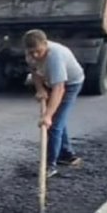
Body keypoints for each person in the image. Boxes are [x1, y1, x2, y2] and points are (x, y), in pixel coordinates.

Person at [23, 29, 85, 178]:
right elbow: (34, 70)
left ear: (45, 44)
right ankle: (67, 155)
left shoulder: (55, 56)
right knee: (58, 120)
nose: (35, 55)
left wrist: (47, 116)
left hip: (71, 84)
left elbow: (59, 88)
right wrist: (40, 89)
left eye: (38, 51)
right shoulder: (31, 54)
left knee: (54, 124)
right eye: (31, 53)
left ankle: (50, 165)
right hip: (51, 82)